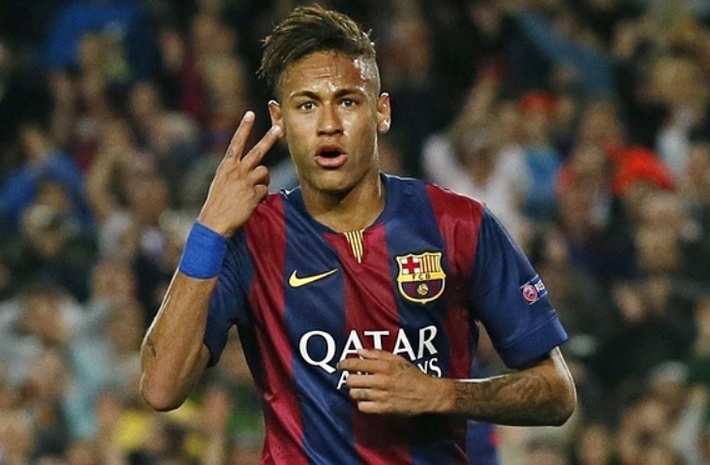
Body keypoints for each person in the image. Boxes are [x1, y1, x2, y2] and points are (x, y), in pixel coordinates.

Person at [139, 6, 576, 464]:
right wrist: (208, 230)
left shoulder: (458, 224)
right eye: (307, 105)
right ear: (280, 121)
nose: (328, 124)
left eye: (347, 101)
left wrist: (442, 393)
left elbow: (557, 392)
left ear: (381, 111)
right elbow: (161, 388)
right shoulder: (252, 239)